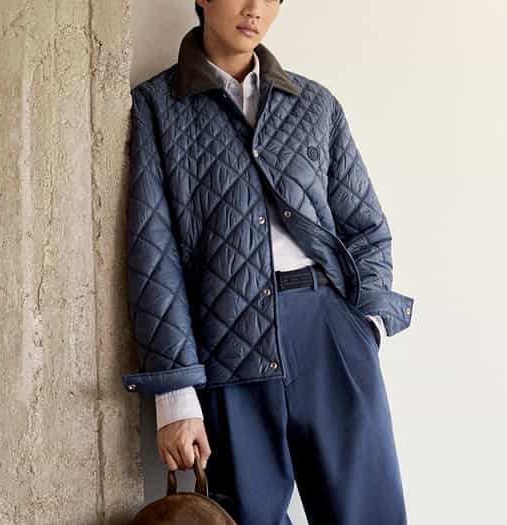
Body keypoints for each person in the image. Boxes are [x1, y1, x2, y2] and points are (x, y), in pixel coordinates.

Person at [123, 1, 414, 523]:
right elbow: (153, 257)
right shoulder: (157, 107)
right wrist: (174, 393)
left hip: (328, 331)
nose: (255, 9)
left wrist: (365, 326)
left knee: (367, 514)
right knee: (250, 516)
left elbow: (366, 228)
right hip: (227, 341)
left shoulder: (314, 105)